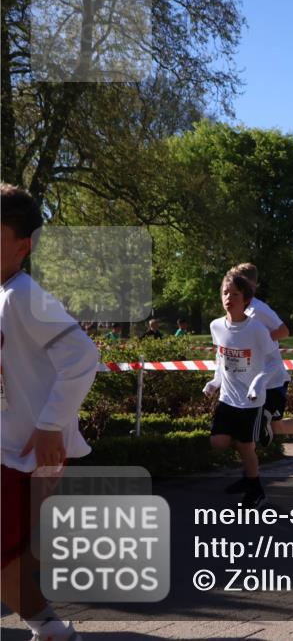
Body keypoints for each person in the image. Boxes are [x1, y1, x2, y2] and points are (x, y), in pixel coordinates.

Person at [1, 183, 97, 641]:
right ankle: (51, 628)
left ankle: (51, 628)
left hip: (26, 453)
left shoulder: (24, 294)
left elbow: (82, 356)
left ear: (22, 247)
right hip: (11, 448)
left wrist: (49, 425)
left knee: (10, 554)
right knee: (13, 554)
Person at [228, 263, 293, 469]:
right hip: (251, 378)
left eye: (242, 285)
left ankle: (250, 477)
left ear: (253, 286)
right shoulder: (238, 310)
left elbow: (283, 331)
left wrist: (260, 343)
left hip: (272, 379)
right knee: (275, 425)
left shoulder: (258, 309)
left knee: (262, 424)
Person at [202, 272, 282, 509]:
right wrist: (215, 382)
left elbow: (275, 362)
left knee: (245, 446)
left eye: (235, 294)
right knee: (218, 442)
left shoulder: (256, 329)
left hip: (252, 401)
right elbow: (221, 358)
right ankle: (248, 477)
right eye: (225, 293)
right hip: (228, 398)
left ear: (245, 299)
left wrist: (258, 382)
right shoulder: (216, 326)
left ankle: (256, 490)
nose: (229, 297)